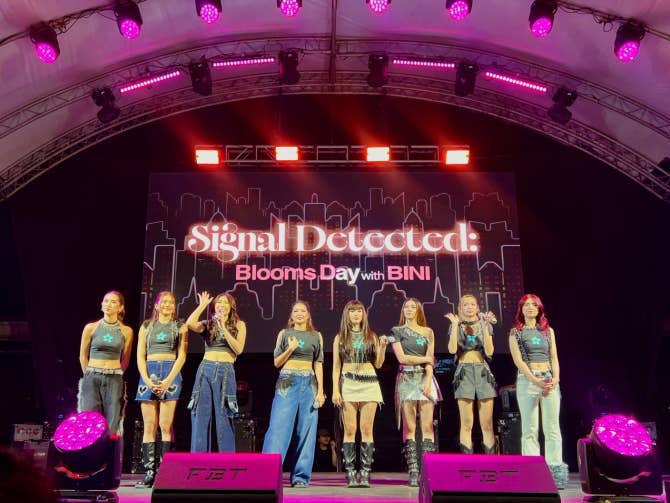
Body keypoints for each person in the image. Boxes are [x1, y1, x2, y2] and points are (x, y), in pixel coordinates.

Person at [262, 300, 325, 488]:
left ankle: (300, 477)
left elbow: (318, 364)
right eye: (295, 311)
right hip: (288, 381)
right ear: (291, 315)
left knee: (307, 430)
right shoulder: (284, 334)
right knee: (278, 428)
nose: (299, 313)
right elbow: (276, 362)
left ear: (308, 315)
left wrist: (321, 391)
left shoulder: (316, 336)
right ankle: (268, 474)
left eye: (302, 311)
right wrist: (290, 348)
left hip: (309, 382)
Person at [509, 294, 568, 489]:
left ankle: (555, 473)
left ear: (539, 308)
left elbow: (554, 357)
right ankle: (532, 473)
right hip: (528, 380)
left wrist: (556, 378)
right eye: (526, 305)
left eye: (533, 305)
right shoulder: (515, 333)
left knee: (552, 428)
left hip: (549, 379)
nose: (530, 308)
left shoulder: (548, 331)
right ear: (521, 309)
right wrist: (534, 380)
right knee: (530, 429)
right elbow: (518, 361)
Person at [134, 291, 189, 488]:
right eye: (163, 302)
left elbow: (182, 356)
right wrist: (146, 379)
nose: (167, 305)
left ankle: (164, 473)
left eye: (171, 302)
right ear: (156, 305)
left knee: (165, 426)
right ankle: (149, 473)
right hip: (148, 372)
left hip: (170, 372)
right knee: (149, 425)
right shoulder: (146, 326)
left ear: (174, 307)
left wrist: (168, 380)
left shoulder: (180, 326)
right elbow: (140, 355)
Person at [331, 300, 387, 487]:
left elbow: (378, 364)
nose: (356, 314)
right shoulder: (340, 337)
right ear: (347, 314)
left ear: (364, 314)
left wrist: (383, 347)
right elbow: (336, 366)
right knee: (349, 429)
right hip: (348, 383)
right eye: (352, 311)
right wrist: (335, 390)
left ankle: (365, 472)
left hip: (369, 382)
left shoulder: (372, 336)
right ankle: (349, 472)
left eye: (359, 311)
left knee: (366, 429)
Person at [388, 298, 441, 487]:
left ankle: (427, 470)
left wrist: (428, 380)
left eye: (413, 307)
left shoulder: (428, 332)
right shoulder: (396, 331)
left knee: (427, 426)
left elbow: (430, 360)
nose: (409, 309)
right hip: (407, 379)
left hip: (425, 379)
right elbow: (402, 358)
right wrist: (425, 358)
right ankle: (413, 470)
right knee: (410, 427)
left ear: (418, 310)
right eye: (406, 307)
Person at [186, 291, 247, 452]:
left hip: (225, 371)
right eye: (219, 302)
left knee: (224, 414)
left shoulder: (239, 325)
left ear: (231, 306)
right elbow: (190, 323)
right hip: (206, 368)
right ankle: (198, 458)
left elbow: (239, 349)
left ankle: (226, 459)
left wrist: (223, 327)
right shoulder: (209, 324)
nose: (221, 305)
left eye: (225, 302)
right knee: (200, 413)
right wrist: (202, 305)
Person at [446, 295, 497, 454]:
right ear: (460, 308)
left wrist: (486, 326)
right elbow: (452, 350)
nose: (469, 307)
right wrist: (455, 326)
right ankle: (468, 461)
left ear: (477, 308)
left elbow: (489, 351)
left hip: (482, 371)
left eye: (472, 304)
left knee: (487, 423)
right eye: (465, 305)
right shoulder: (456, 325)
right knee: (466, 422)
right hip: (464, 372)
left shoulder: (485, 324)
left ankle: (490, 461)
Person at [78, 290, 134, 435]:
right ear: (102, 304)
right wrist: (89, 375)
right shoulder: (91, 327)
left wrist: (116, 373)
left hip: (114, 378)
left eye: (113, 302)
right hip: (92, 376)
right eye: (106, 301)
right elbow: (83, 356)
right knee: (89, 420)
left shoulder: (126, 331)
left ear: (120, 307)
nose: (108, 304)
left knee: (112, 421)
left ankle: (109, 448)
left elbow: (126, 359)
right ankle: (91, 448)